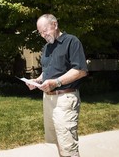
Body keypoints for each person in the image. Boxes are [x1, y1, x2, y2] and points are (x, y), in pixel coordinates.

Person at [27, 14, 88, 157]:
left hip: (65, 99)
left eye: (45, 30)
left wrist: (56, 82)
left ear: (54, 24)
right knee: (58, 143)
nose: (43, 35)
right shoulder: (46, 47)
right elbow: (47, 71)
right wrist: (37, 81)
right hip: (48, 100)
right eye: (40, 33)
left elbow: (80, 70)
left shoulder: (71, 41)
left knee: (68, 147)